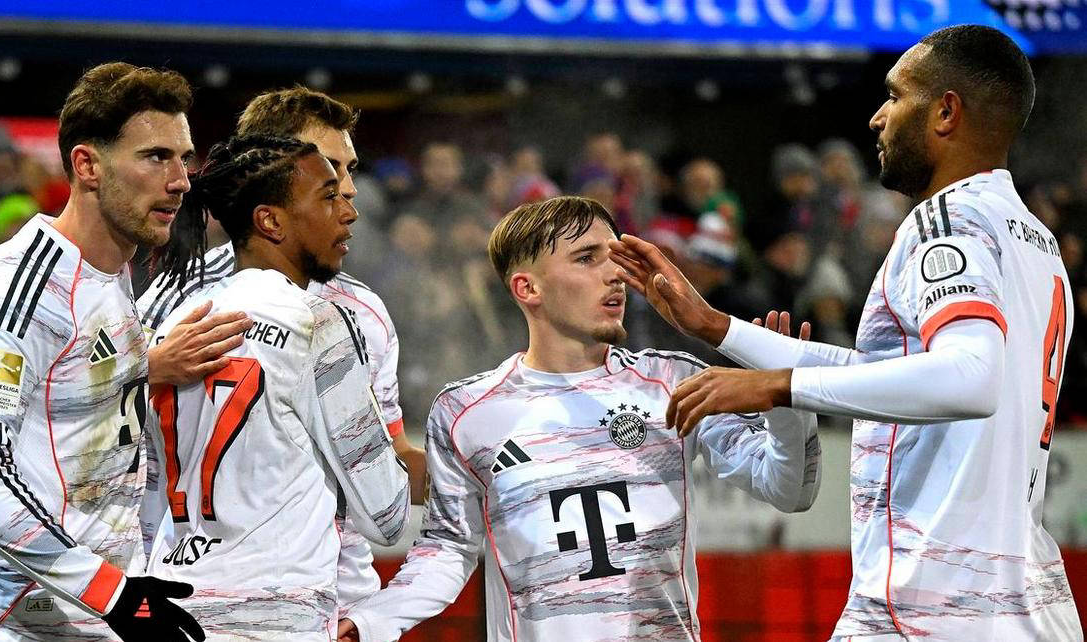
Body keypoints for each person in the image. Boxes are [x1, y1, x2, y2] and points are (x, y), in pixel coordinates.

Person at [610, 25, 1082, 640]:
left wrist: (779, 387)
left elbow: (971, 377)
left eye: (896, 96)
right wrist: (716, 327)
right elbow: (892, 375)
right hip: (1022, 600)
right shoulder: (1033, 238)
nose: (877, 117)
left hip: (929, 602)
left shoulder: (946, 222)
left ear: (945, 112)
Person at [339, 196, 820, 642]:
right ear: (527, 288)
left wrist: (785, 399)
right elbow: (449, 549)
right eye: (587, 259)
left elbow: (790, 490)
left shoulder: (672, 382)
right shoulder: (467, 412)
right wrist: (370, 621)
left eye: (616, 259)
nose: (614, 275)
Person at [0, 62, 209, 642]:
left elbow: (74, 399)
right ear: (87, 166)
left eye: (184, 159)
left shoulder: (112, 279)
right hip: (11, 622)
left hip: (90, 618)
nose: (181, 180)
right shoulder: (20, 290)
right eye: (156, 157)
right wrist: (111, 593)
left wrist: (149, 366)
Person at [138, 86, 425, 612]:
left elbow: (389, 448)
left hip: (204, 589)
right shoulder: (314, 318)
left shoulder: (364, 309)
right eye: (329, 179)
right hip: (283, 595)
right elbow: (383, 499)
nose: (350, 195)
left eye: (350, 172)